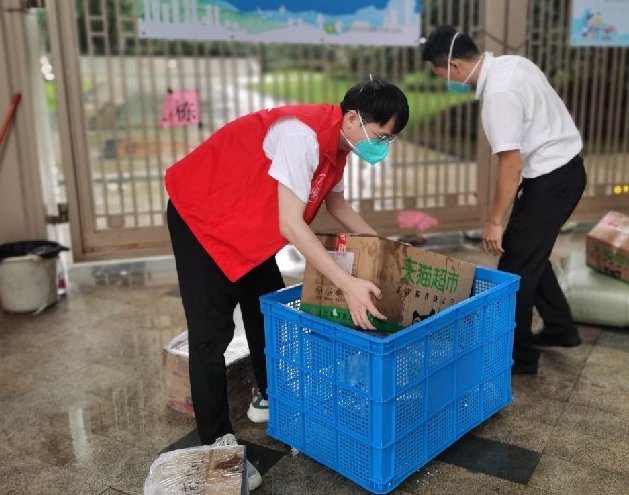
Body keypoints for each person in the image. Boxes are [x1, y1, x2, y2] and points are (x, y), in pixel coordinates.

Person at [165, 77, 409, 490]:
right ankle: (216, 441)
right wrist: (347, 284)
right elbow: (291, 225)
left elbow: (336, 204)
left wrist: (384, 248)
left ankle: (271, 395)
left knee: (267, 313)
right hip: (203, 217)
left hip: (247, 224)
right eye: (381, 136)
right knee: (211, 334)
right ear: (353, 118)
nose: (382, 146)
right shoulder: (301, 136)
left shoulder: (340, 145)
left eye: (389, 140)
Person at [422, 26, 587, 375]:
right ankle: (560, 328)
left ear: (453, 66)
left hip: (550, 179)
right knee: (528, 252)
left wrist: (494, 221)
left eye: (439, 74)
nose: (443, 80)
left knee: (516, 269)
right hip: (566, 171)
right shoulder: (515, 64)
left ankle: (519, 357)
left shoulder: (498, 95)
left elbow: (510, 165)